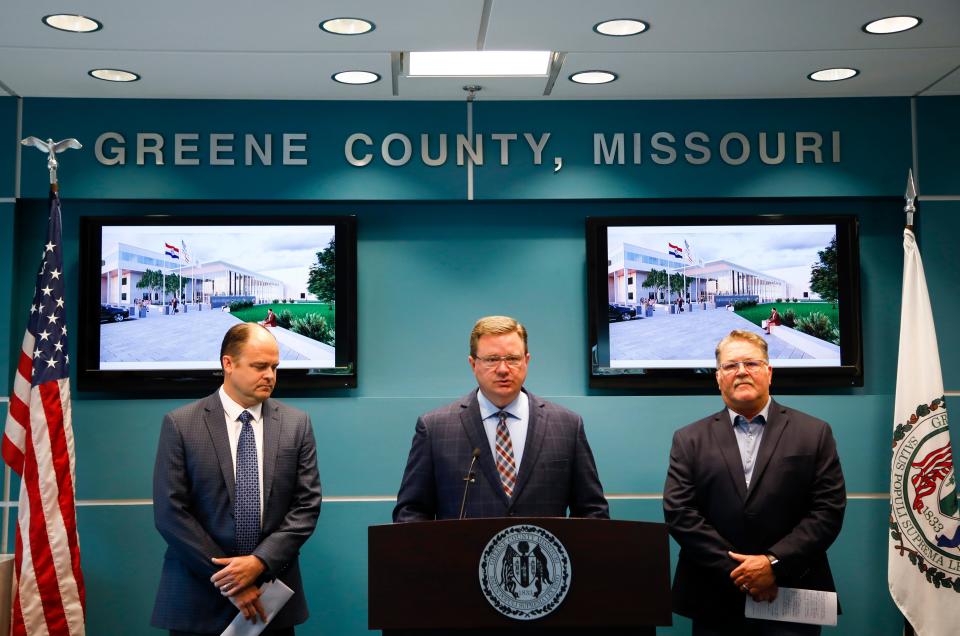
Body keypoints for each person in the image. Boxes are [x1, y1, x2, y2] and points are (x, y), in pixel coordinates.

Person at [663, 330, 845, 635]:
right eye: (731, 366)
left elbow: (827, 511)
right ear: (718, 377)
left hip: (790, 593)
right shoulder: (689, 439)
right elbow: (680, 513)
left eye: (752, 363)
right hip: (715, 599)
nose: (742, 372)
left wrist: (773, 564)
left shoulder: (814, 433)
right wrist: (743, 572)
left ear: (769, 372)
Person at [152, 323, 322, 636]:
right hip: (198, 599)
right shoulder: (181, 424)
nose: (270, 375)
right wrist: (231, 580)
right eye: (259, 366)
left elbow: (306, 506)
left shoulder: (296, 424)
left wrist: (259, 562)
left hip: (270, 598)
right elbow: (170, 512)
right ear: (228, 364)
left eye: (274, 367)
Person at [393, 315, 609, 521]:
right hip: (462, 558)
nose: (503, 369)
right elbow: (411, 512)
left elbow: (592, 512)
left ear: (526, 361)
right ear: (473, 364)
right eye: (492, 359)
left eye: (513, 359)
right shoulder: (434, 429)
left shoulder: (567, 426)